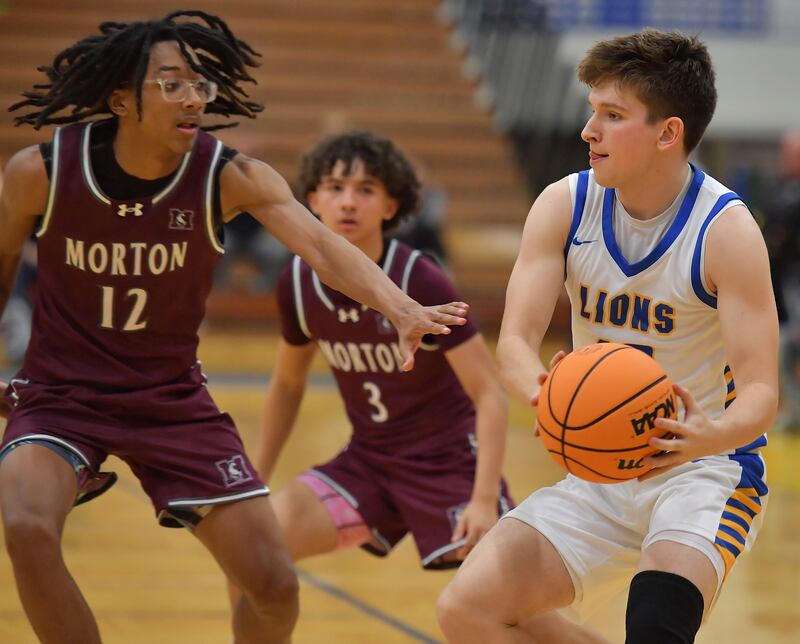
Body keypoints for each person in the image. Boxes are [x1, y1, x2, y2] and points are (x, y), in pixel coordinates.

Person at [0, 12, 467, 644]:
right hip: (59, 396)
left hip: (171, 404)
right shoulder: (40, 173)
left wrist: (400, 307)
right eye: (171, 83)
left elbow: (324, 248)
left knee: (273, 586)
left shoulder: (229, 177)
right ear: (120, 98)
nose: (193, 97)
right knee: (26, 526)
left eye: (200, 85)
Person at [437, 29, 778, 644]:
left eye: (612, 116)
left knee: (654, 628)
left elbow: (760, 393)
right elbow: (514, 342)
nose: (588, 131)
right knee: (465, 609)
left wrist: (708, 434)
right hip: (598, 467)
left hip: (702, 471)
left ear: (667, 132)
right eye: (592, 112)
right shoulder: (564, 206)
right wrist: (549, 395)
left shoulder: (726, 232)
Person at [253, 131, 512, 575]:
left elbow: (490, 393)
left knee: (501, 606)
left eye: (365, 190)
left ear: (391, 206)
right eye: (335, 188)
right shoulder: (296, 283)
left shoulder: (420, 278)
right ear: (312, 200)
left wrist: (483, 499)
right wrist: (254, 480)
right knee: (253, 549)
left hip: (448, 464)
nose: (348, 202)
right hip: (368, 463)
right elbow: (288, 383)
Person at [762, 131, 800, 430]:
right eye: (786, 152)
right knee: (783, 345)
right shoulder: (779, 190)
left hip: (793, 281)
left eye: (793, 153)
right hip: (777, 283)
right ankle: (792, 409)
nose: (786, 159)